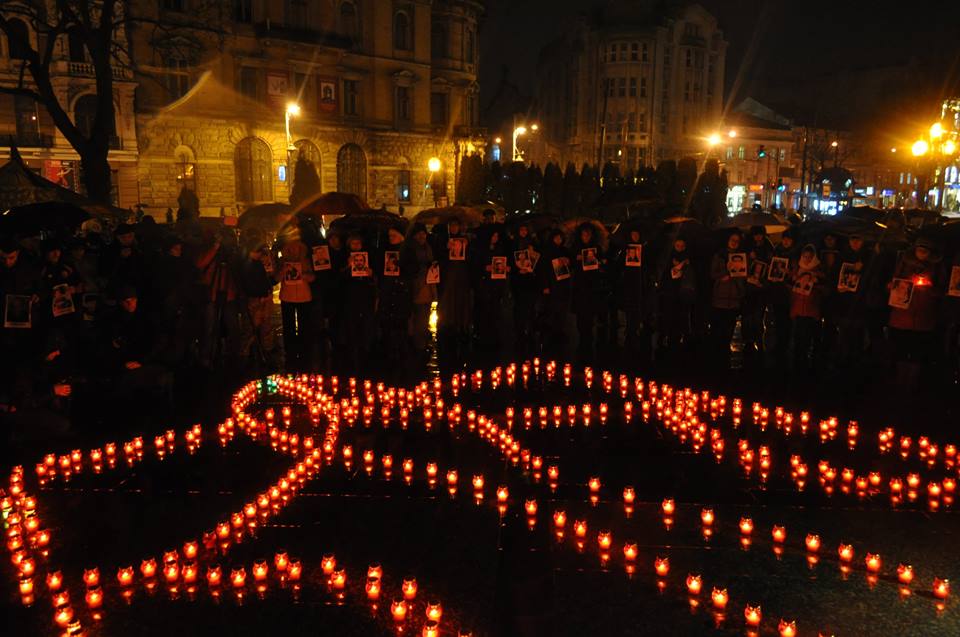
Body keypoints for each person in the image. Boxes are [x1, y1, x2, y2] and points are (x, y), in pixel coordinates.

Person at [887, 237, 943, 393]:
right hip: (901, 316)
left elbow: (943, 291)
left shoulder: (936, 267)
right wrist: (892, 285)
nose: (922, 253)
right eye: (919, 249)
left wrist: (929, 287)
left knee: (917, 351)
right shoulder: (904, 263)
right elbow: (894, 282)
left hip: (923, 318)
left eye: (925, 250)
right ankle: (899, 383)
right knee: (901, 349)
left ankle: (912, 384)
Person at [435, 219, 472, 362]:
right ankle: (447, 324)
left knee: (460, 300)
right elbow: (439, 257)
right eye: (452, 225)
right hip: (448, 277)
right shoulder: (443, 239)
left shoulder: (465, 239)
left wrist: (467, 247)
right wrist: (446, 248)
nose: (454, 228)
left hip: (461, 277)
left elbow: (469, 258)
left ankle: (460, 324)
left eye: (456, 225)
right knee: (448, 301)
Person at [339, 233, 377, 374]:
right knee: (352, 324)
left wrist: (371, 274)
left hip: (365, 296)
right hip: (351, 297)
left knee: (366, 323)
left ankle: (366, 350)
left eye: (358, 243)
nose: (356, 246)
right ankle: (353, 351)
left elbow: (374, 279)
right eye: (353, 243)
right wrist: (347, 267)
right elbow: (340, 279)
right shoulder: (345, 258)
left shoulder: (369, 257)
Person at [709, 230, 747, 370]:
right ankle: (716, 357)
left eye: (737, 241)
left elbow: (743, 275)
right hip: (720, 296)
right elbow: (713, 274)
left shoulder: (741, 256)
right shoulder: (720, 255)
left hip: (734, 297)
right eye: (732, 240)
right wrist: (725, 272)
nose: (734, 243)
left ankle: (725, 356)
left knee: (729, 329)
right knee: (718, 328)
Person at [277, 234, 314, 371]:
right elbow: (276, 277)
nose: (294, 251)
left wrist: (304, 275)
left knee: (304, 325)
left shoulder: (306, 261)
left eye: (297, 248)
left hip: (304, 296)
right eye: (291, 248)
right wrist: (283, 271)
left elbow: (312, 277)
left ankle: (304, 349)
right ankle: (291, 350)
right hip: (287, 296)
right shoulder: (282, 262)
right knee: (289, 326)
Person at [377, 227, 413, 369]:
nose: (391, 237)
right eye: (389, 235)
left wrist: (400, 265)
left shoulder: (407, 251)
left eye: (394, 235)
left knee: (400, 323)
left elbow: (412, 270)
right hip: (388, 291)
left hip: (401, 292)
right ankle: (389, 352)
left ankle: (401, 353)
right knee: (387, 323)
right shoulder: (385, 250)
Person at [657, 237, 696, 365]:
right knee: (670, 314)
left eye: (681, 245)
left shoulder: (688, 259)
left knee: (681, 314)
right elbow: (663, 274)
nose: (679, 247)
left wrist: (685, 265)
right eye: (677, 245)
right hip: (670, 292)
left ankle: (680, 337)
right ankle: (668, 336)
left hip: (683, 292)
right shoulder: (668, 257)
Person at [240, 241, 277, 369]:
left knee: (265, 325)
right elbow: (248, 284)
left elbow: (267, 280)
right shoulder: (248, 264)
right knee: (251, 328)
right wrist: (261, 294)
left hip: (263, 297)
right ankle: (247, 352)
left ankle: (265, 350)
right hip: (255, 299)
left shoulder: (258, 264)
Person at [789, 244, 825, 373]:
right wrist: (793, 280)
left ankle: (807, 367)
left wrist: (816, 283)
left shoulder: (819, 271)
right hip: (798, 309)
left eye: (810, 257)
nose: (807, 259)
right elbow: (790, 288)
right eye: (805, 256)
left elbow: (826, 290)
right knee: (798, 339)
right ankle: (798, 365)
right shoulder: (797, 269)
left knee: (807, 339)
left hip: (811, 311)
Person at [473, 224, 509, 352]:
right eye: (494, 236)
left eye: (497, 236)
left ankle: (494, 335)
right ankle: (484, 336)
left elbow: (503, 261)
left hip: (496, 284)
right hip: (485, 284)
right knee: (485, 310)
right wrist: (484, 268)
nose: (495, 238)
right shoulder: (481, 249)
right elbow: (475, 266)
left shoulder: (499, 248)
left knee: (495, 309)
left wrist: (505, 268)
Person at [403, 223, 437, 361]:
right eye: (419, 234)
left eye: (424, 233)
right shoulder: (410, 249)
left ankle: (420, 344)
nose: (422, 236)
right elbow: (409, 267)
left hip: (427, 286)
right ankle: (418, 346)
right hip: (417, 287)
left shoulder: (427, 247)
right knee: (418, 318)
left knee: (424, 316)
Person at [571, 222, 604, 361]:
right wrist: (576, 259)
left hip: (592, 285)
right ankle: (582, 333)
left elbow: (601, 262)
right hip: (580, 284)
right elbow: (571, 262)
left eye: (588, 234)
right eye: (584, 234)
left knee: (589, 311)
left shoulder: (596, 248)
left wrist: (599, 261)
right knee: (580, 311)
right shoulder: (575, 247)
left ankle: (588, 335)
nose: (586, 237)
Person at [538, 229, 572, 357]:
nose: (559, 240)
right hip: (553, 284)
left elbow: (571, 264)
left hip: (563, 284)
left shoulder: (564, 250)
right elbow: (543, 270)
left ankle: (559, 332)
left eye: (560, 238)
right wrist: (545, 286)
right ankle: (550, 335)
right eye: (556, 238)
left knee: (562, 310)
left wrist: (568, 261)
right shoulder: (547, 252)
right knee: (552, 309)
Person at [614, 229, 646, 357]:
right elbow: (619, 266)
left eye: (637, 234)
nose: (635, 236)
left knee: (636, 306)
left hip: (639, 282)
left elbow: (646, 265)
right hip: (628, 283)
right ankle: (627, 331)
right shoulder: (625, 248)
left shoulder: (643, 248)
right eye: (633, 234)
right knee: (628, 306)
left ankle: (634, 330)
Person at [510, 222, 539, 355]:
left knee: (531, 305)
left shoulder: (532, 243)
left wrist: (533, 256)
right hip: (519, 280)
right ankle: (520, 331)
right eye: (521, 229)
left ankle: (531, 329)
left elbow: (537, 260)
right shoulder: (514, 243)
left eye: (525, 229)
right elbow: (511, 261)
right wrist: (517, 271)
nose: (523, 231)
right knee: (519, 306)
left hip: (530, 280)